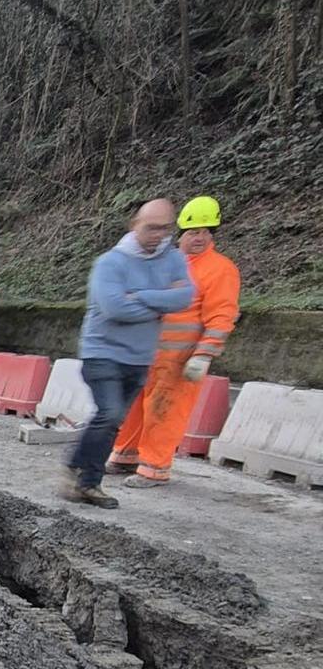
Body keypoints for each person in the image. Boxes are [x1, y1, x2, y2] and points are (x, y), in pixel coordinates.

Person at [63, 199, 194, 509]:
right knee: (110, 414)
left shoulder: (173, 259)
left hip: (139, 358)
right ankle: (83, 475)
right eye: (151, 228)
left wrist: (141, 296)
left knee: (112, 421)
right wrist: (160, 303)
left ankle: (82, 478)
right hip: (102, 353)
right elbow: (115, 308)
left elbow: (185, 297)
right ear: (135, 225)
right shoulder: (111, 263)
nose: (158, 235)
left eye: (165, 229)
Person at [108, 196, 240, 487]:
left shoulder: (220, 269)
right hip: (147, 351)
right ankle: (125, 454)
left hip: (179, 359)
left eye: (206, 232)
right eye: (193, 232)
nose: (199, 238)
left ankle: (154, 467)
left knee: (164, 411)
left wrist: (203, 355)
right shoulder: (165, 262)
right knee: (135, 405)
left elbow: (221, 315)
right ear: (180, 233)